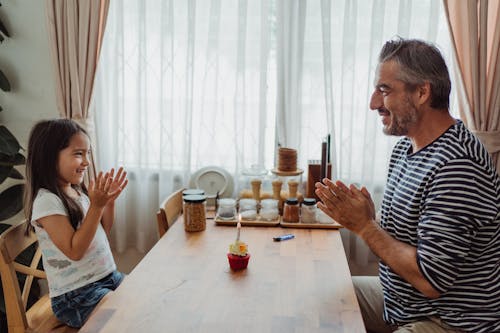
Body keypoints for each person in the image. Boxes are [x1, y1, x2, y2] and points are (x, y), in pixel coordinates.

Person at [315, 38, 500, 333]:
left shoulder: (457, 165)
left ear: (422, 92)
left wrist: (365, 227)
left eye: (384, 90)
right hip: (402, 303)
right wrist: (368, 219)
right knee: (317, 306)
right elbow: (408, 240)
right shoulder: (405, 149)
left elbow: (431, 280)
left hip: (450, 320)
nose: (374, 103)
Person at [24, 119, 128, 328]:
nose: (87, 162)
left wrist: (108, 204)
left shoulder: (77, 193)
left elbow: (101, 231)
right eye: (79, 154)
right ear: (50, 158)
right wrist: (96, 207)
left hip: (107, 277)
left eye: (87, 153)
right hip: (75, 295)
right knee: (118, 315)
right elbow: (74, 251)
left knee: (141, 295)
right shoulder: (46, 201)